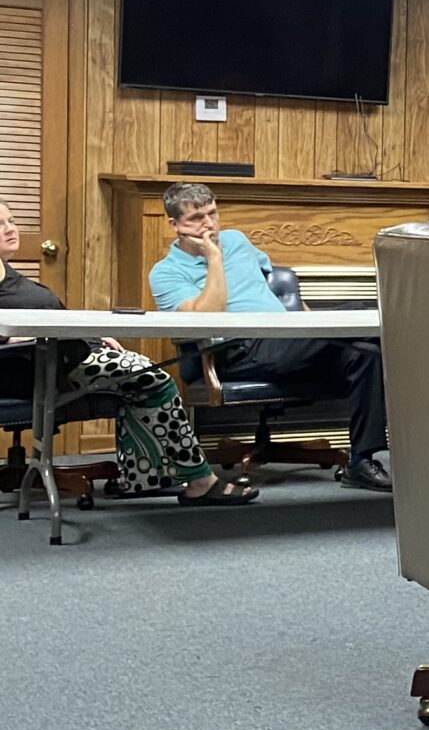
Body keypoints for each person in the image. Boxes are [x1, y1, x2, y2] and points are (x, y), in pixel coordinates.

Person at [0, 200, 253, 505]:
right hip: (32, 367)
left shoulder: (8, 275)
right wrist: (14, 339)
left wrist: (90, 332)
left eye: (12, 221)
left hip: (61, 354)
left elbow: (49, 317)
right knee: (149, 378)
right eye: (0, 224)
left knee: (143, 376)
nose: (10, 229)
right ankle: (200, 481)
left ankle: (145, 479)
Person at [148, 182, 391, 492]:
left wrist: (310, 327)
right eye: (196, 218)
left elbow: (275, 287)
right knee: (359, 314)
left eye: (212, 213)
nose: (209, 225)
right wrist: (214, 259)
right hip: (237, 353)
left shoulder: (237, 240)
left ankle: (361, 462)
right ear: (175, 225)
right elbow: (207, 318)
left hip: (285, 339)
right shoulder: (166, 272)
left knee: (367, 352)